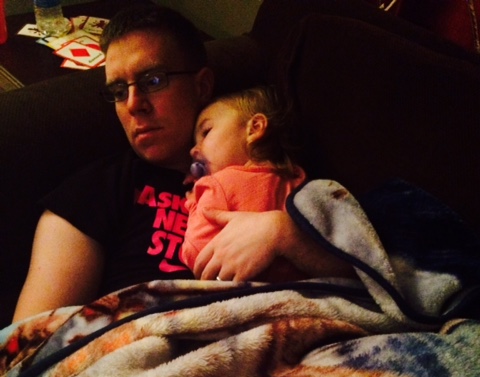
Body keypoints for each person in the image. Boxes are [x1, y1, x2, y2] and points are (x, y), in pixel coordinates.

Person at [13, 2, 351, 323]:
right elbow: (27, 345)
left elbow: (364, 274)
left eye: (153, 81)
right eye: (118, 91)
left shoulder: (274, 172)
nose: (133, 104)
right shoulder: (93, 190)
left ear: (201, 85)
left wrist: (284, 234)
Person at [182, 86, 309, 282]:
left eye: (206, 132)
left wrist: (193, 205)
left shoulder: (216, 185)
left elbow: (195, 252)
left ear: (255, 127)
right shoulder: (298, 181)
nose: (193, 150)